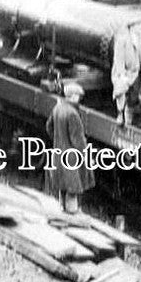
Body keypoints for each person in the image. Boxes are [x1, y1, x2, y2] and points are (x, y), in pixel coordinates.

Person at [45, 82, 95, 213]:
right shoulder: (73, 113)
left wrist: (58, 141)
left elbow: (49, 127)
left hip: (59, 153)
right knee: (73, 188)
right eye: (78, 96)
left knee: (62, 185)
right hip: (71, 158)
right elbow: (78, 140)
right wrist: (86, 157)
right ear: (72, 96)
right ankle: (71, 215)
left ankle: (62, 210)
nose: (79, 99)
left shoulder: (57, 108)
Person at [111, 22, 141, 126]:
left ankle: (129, 119)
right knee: (121, 92)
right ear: (132, 27)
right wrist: (122, 74)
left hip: (137, 72)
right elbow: (118, 59)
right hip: (126, 72)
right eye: (139, 25)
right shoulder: (122, 39)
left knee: (135, 96)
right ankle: (120, 114)